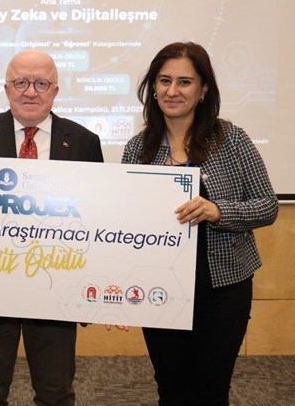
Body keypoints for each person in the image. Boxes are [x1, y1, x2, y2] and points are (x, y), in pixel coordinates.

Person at [119, 42, 279, 405]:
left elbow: (268, 206)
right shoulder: (137, 149)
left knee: (211, 389)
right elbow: (125, 225)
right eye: (164, 81)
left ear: (204, 89)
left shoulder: (232, 140)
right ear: (153, 87)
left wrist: (218, 211)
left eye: (184, 82)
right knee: (170, 388)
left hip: (221, 290)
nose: (172, 91)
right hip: (159, 289)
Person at [0, 50, 104, 405]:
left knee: (56, 394)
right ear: (6, 88)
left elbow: (96, 222)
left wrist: (89, 293)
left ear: (56, 91)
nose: (30, 91)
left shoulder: (84, 142)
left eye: (41, 83)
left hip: (57, 288)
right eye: (21, 82)